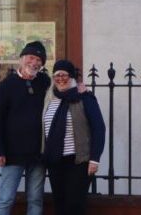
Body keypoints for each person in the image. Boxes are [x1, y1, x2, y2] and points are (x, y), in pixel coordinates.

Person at [0, 41, 51, 215]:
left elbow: (62, 92)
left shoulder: (45, 82)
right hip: (12, 154)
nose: (35, 62)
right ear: (22, 59)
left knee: (35, 199)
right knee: (6, 199)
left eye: (39, 59)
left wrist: (80, 89)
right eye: (31, 57)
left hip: (38, 154)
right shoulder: (7, 85)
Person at [42, 59, 106, 215]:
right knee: (60, 203)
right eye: (57, 75)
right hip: (55, 161)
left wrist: (94, 159)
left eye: (64, 75)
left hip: (79, 161)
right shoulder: (50, 99)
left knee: (74, 205)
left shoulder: (84, 97)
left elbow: (99, 128)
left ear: (71, 77)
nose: (60, 78)